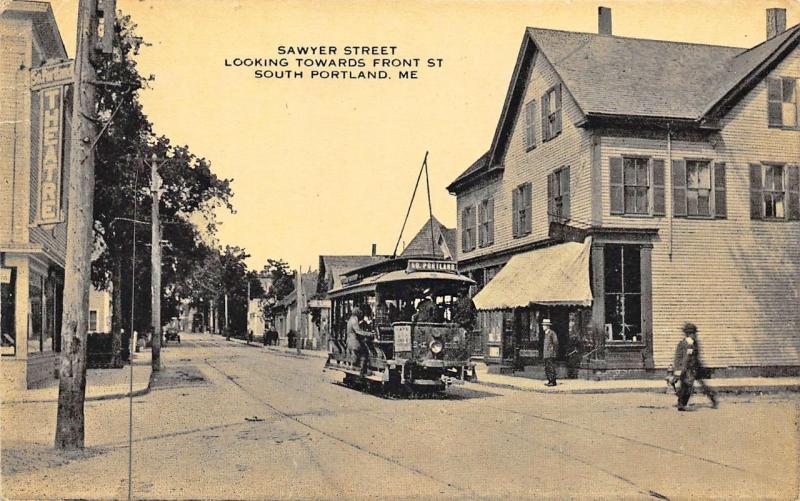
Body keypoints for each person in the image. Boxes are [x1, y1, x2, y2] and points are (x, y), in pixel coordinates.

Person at [673, 322, 718, 411]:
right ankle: (681, 403)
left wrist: (680, 371)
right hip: (689, 368)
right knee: (687, 386)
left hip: (693, 368)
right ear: (689, 333)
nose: (695, 335)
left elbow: (688, 358)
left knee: (688, 386)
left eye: (695, 333)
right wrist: (679, 371)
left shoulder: (691, 343)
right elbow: (682, 358)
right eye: (693, 333)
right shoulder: (688, 343)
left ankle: (682, 404)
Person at [346, 307, 373, 375]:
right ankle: (362, 371)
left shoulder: (350, 320)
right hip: (355, 343)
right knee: (365, 352)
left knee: (361, 353)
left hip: (350, 342)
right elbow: (358, 331)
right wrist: (369, 334)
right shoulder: (354, 320)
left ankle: (358, 369)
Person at [542, 318, 559, 386]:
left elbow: (556, 342)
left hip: (550, 354)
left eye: (544, 325)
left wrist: (553, 351)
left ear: (547, 326)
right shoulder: (546, 334)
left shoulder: (552, 333)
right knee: (547, 367)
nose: (543, 327)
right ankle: (549, 380)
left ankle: (553, 381)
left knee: (551, 367)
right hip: (546, 354)